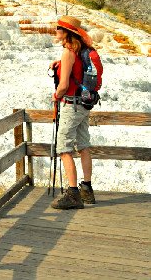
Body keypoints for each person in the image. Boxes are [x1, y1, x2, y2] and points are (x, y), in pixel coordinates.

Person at [48, 15, 96, 210]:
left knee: (64, 148)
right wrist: (58, 64)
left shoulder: (68, 53)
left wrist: (56, 95)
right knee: (83, 145)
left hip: (71, 105)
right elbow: (75, 70)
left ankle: (73, 193)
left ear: (67, 33)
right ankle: (87, 190)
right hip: (84, 105)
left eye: (59, 28)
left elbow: (64, 85)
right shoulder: (79, 50)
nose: (56, 31)